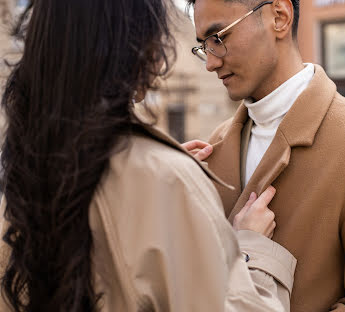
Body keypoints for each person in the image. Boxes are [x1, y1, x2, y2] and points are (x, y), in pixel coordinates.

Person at [0, 0, 297, 311]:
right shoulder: (166, 179)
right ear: (138, 45)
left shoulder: (25, 180)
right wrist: (252, 249)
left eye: (218, 39)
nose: (210, 62)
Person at [185, 0, 345, 310]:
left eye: (219, 38)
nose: (210, 63)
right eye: (204, 45)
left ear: (279, 17)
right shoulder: (212, 149)